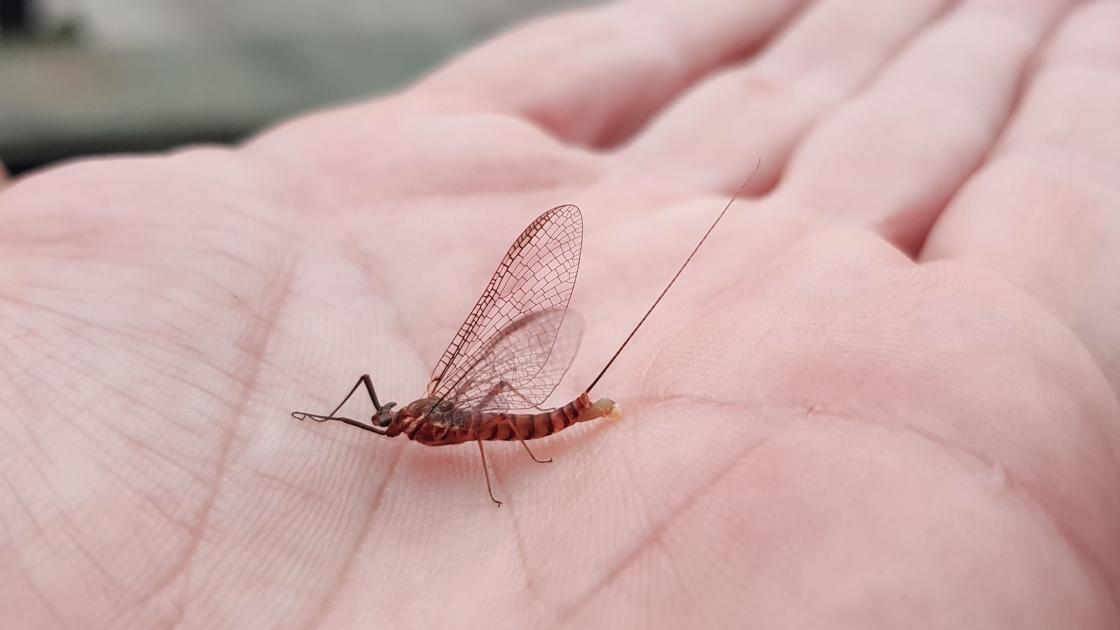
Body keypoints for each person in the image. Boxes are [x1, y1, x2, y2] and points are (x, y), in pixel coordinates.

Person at [2, 1, 1117, 627]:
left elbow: (480, 425)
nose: (390, 426)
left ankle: (589, 412)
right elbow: (380, 415)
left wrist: (498, 452)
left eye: (396, 423)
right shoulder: (405, 423)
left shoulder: (453, 427)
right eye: (392, 424)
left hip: (531, 420)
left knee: (507, 437)